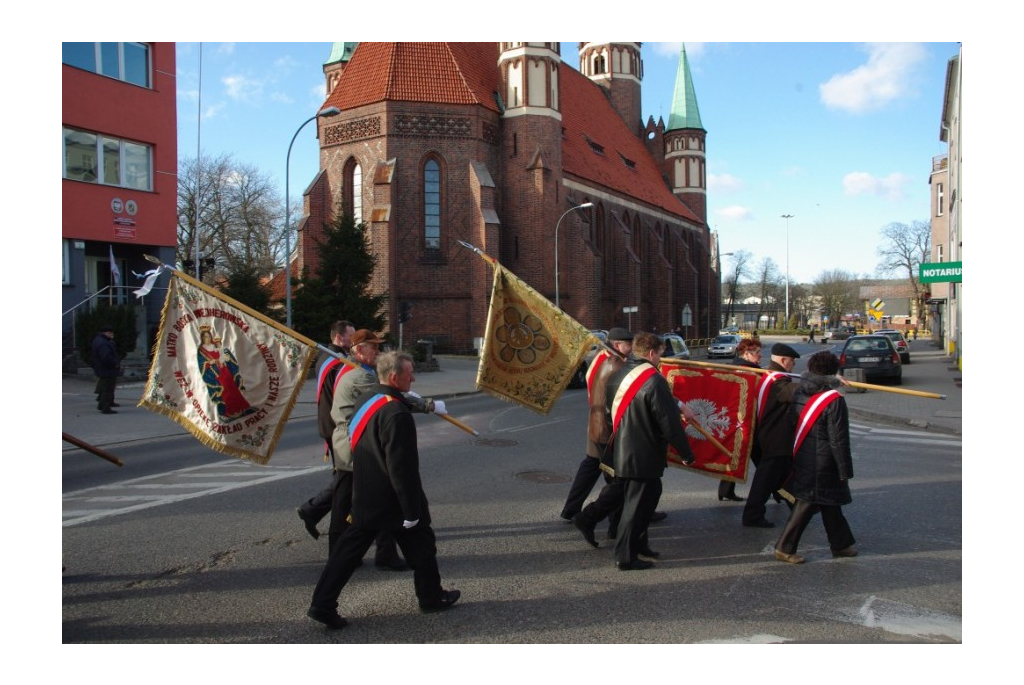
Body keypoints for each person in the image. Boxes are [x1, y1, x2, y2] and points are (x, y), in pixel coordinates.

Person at [307, 351, 460, 629]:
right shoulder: (396, 413)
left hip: (366, 490)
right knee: (422, 541)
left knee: (348, 552)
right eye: (409, 373)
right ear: (394, 377)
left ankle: (322, 603)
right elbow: (402, 468)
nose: (413, 377)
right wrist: (413, 509)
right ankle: (430, 597)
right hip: (392, 498)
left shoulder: (369, 399)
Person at [328, 329, 444, 570]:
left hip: (359, 441)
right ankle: (340, 556)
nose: (377, 351)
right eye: (373, 346)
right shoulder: (362, 377)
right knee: (349, 506)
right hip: (356, 445)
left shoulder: (359, 370)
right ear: (359, 350)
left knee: (366, 506)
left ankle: (383, 554)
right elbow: (386, 399)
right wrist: (428, 405)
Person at [591, 332, 695, 570]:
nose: (661, 359)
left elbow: (609, 415)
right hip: (644, 452)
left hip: (623, 449)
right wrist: (686, 453)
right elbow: (668, 422)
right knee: (637, 507)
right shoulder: (654, 380)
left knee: (642, 500)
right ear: (651, 353)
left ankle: (640, 545)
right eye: (660, 354)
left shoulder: (618, 374)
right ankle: (625, 556)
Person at [774, 351, 856, 564]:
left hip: (804, 453)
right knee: (807, 502)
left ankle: (841, 544)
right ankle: (784, 546)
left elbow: (793, 422)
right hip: (824, 460)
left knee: (829, 501)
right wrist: (844, 469)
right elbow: (838, 439)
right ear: (832, 372)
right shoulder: (834, 400)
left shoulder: (801, 391)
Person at [297, 320, 355, 540]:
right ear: (339, 337)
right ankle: (313, 510)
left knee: (345, 478)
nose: (354, 340)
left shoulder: (329, 357)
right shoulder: (337, 362)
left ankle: (315, 511)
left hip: (331, 425)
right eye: (351, 336)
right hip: (336, 427)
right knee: (345, 478)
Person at [742, 342, 801, 527]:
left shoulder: (769, 375)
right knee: (765, 481)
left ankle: (799, 508)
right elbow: (795, 391)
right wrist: (822, 380)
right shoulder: (777, 380)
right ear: (783, 360)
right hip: (776, 439)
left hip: (774, 437)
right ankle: (752, 515)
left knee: (782, 477)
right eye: (792, 362)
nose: (794, 366)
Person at [92, 324, 120, 414]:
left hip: (102, 369)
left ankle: (102, 405)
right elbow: (106, 357)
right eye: (110, 333)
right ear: (105, 333)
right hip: (107, 369)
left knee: (105, 388)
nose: (112, 335)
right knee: (107, 389)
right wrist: (115, 363)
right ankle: (105, 407)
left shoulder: (99, 340)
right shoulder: (104, 343)